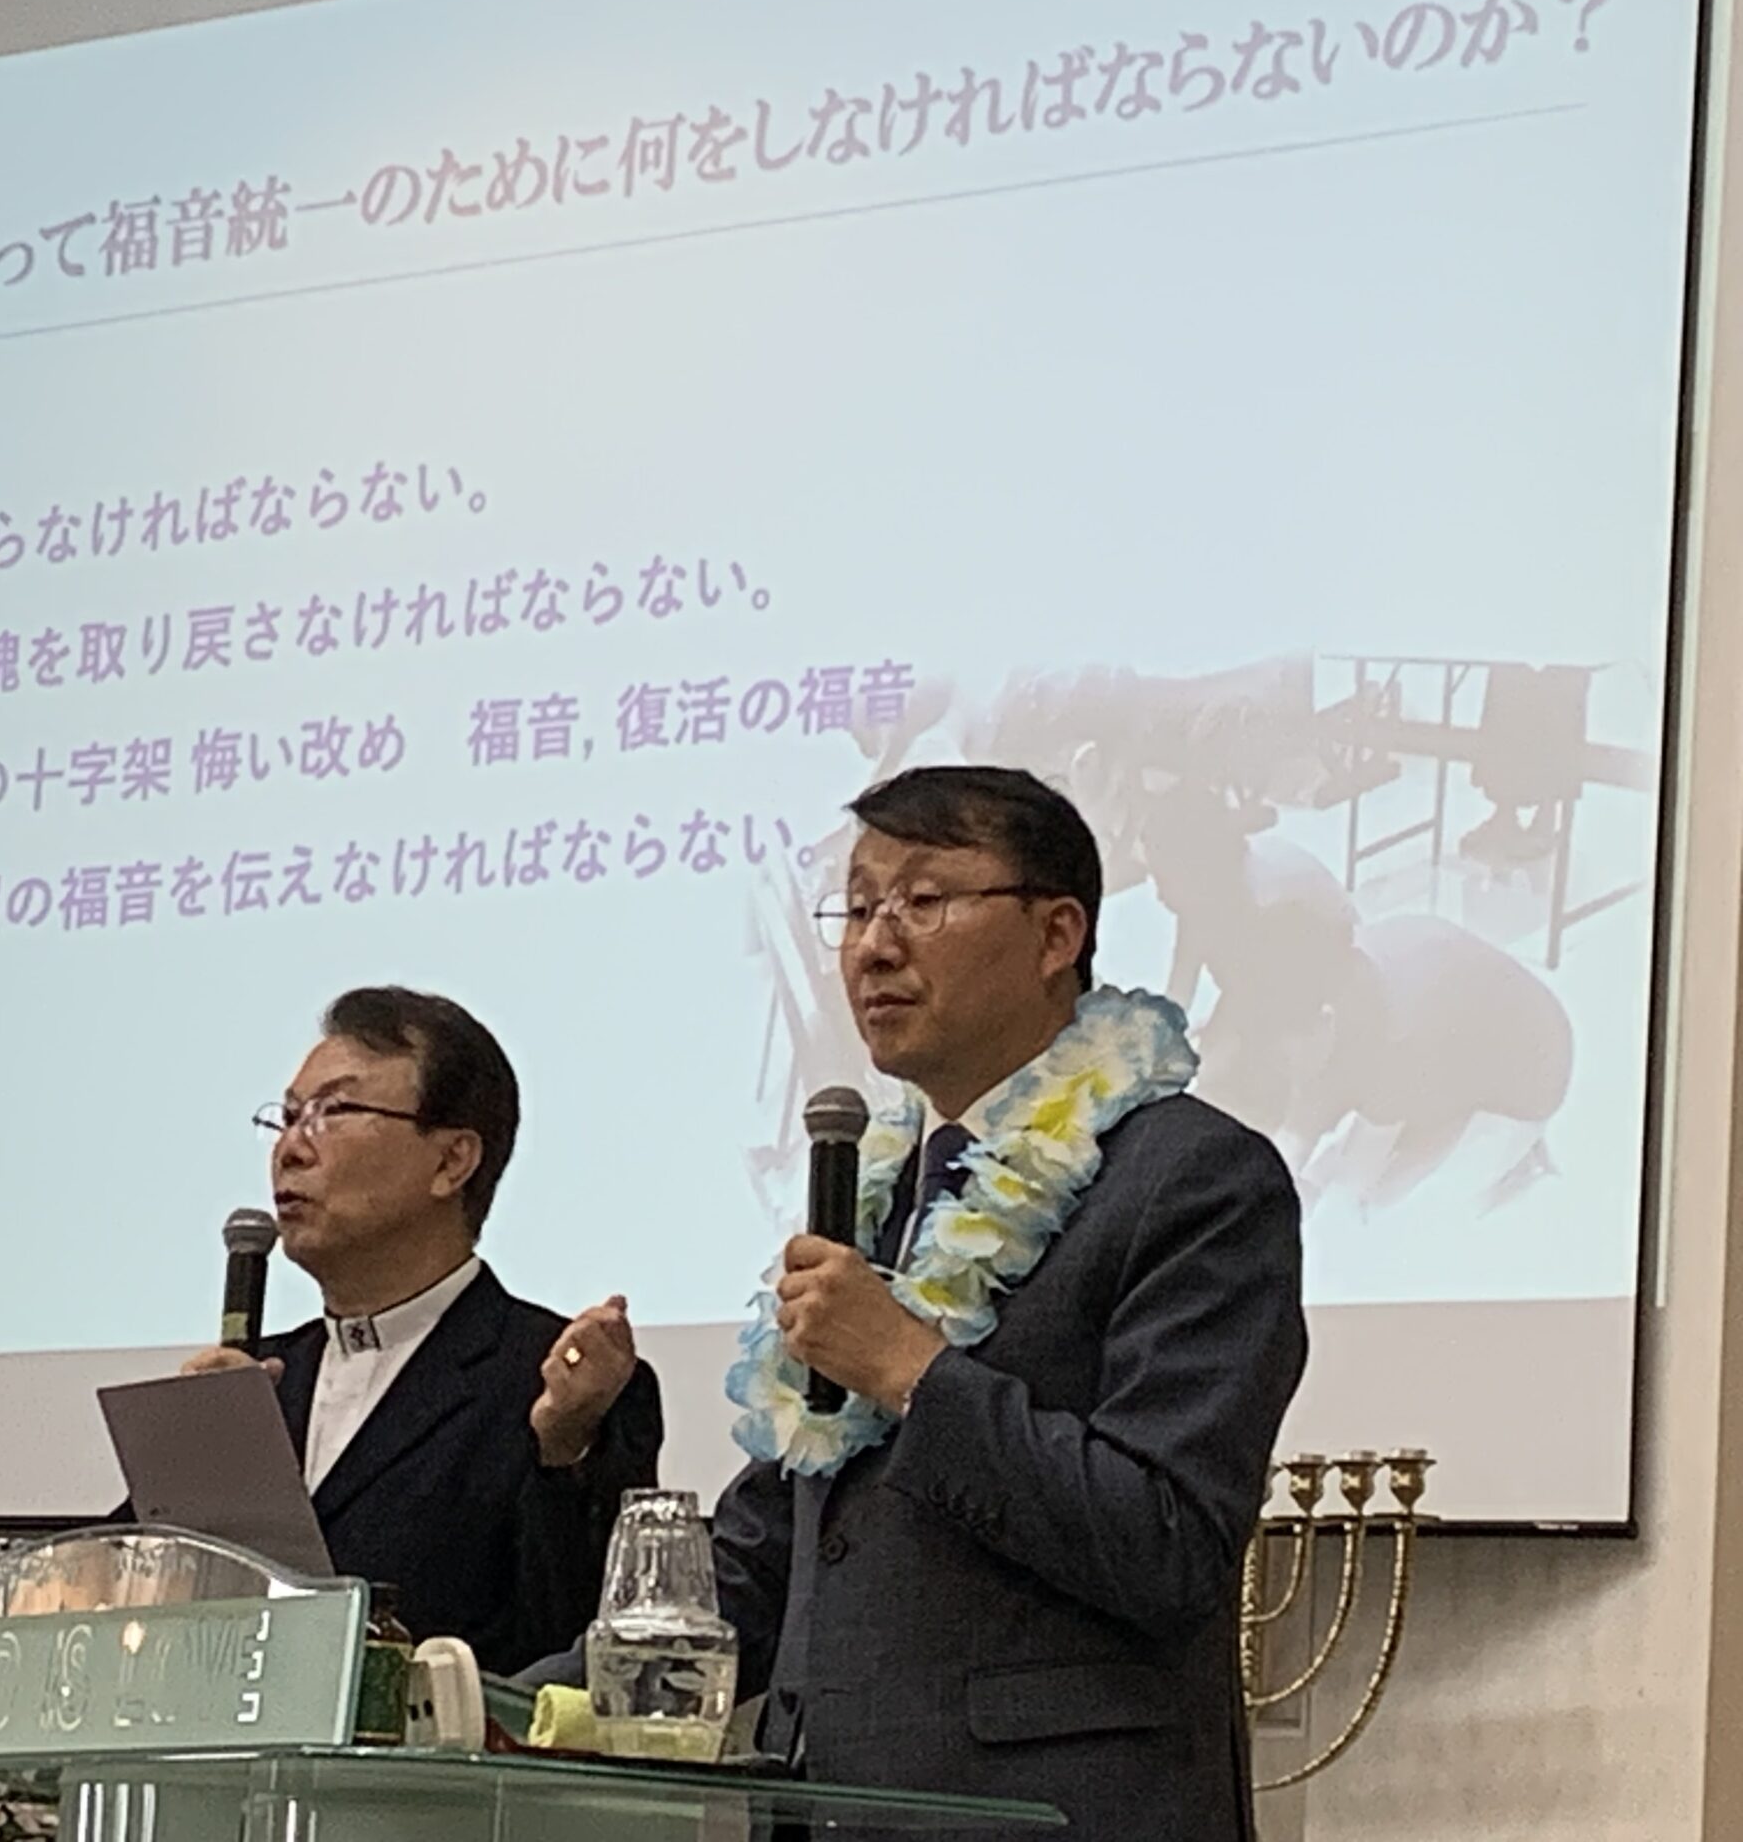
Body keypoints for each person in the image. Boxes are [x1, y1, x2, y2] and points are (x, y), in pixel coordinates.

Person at [715, 766, 1305, 1838]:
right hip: (825, 1809)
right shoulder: (883, 1195)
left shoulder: (1193, 1179)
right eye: (858, 906)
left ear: (1055, 934)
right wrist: (493, 1699)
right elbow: (777, 1550)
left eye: (922, 899)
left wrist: (911, 1371)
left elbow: (1167, 1541)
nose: (873, 945)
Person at [183, 985, 663, 1677]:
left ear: (451, 1162)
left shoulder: (557, 1381)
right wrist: (188, 1462)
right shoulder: (256, 1384)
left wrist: (563, 1449)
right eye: (286, 1118)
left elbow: (584, 1659)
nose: (289, 1149)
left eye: (332, 1112)